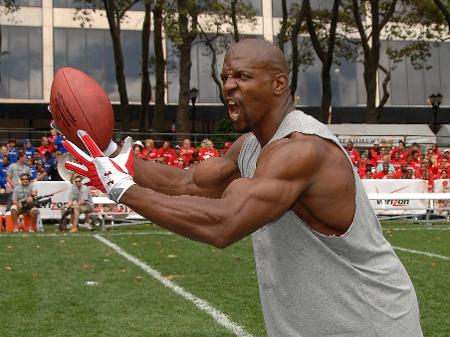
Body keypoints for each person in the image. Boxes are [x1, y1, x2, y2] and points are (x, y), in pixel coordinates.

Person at [64, 39, 422, 337]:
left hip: (371, 323)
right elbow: (186, 183)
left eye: (242, 76)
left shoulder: (302, 149)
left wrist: (123, 190)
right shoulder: (250, 146)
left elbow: (224, 223)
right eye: (225, 77)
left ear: (278, 84)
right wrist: (110, 154)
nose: (229, 86)